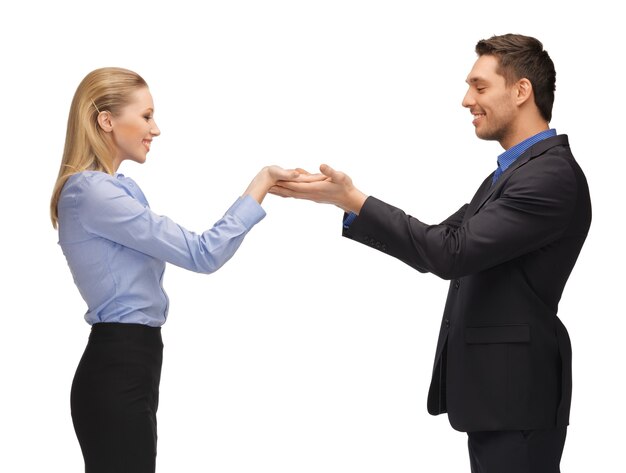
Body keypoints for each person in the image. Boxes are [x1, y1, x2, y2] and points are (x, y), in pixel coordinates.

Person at [270, 34, 591, 473]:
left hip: (518, 401)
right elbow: (441, 240)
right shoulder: (514, 173)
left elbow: (448, 253)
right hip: (501, 397)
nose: (466, 100)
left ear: (521, 92)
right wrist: (345, 201)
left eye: (479, 87)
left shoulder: (547, 177)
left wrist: (354, 199)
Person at [50, 67, 313, 473]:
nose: (155, 129)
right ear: (106, 121)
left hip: (133, 362)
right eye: (146, 115)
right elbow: (201, 253)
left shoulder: (116, 189)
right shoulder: (92, 192)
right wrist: (260, 184)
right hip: (118, 365)